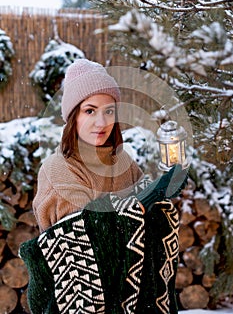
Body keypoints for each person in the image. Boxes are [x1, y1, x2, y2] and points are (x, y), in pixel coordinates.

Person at [19, 59, 188, 314]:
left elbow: (146, 213)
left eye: (109, 111)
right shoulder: (58, 169)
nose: (102, 122)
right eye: (90, 111)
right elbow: (86, 234)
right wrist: (147, 198)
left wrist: (165, 189)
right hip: (77, 302)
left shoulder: (121, 161)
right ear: (72, 116)